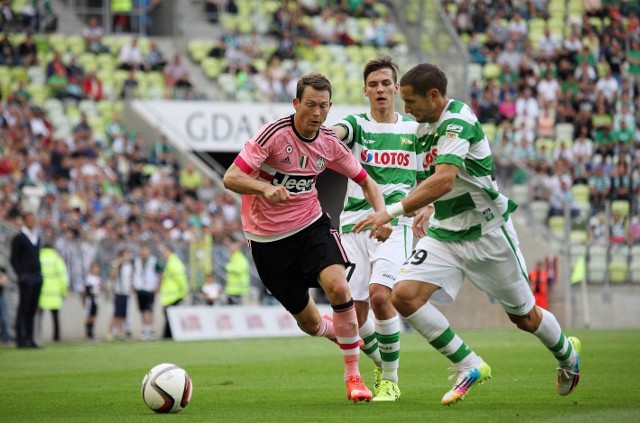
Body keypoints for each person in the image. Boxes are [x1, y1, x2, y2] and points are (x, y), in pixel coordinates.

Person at [355, 63, 582, 405]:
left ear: (434, 95)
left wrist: (391, 211)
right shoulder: (420, 131)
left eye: (411, 100)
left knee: (523, 316)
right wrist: (428, 208)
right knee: (402, 296)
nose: (407, 108)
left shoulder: (459, 119)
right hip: (446, 234)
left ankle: (567, 355)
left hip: (487, 232)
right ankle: (469, 364)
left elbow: (445, 178)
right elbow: (432, 183)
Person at [223, 72, 389, 403]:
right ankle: (350, 338)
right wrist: (265, 187)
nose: (317, 113)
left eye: (324, 106)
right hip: (268, 240)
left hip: (310, 225)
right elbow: (232, 176)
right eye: (310, 105)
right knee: (311, 323)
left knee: (339, 287)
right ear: (296, 103)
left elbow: (366, 180)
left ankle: (353, 377)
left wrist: (382, 213)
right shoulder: (273, 135)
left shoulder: (329, 143)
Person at [331, 56, 425, 402]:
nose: (381, 89)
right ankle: (380, 361)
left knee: (381, 295)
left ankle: (390, 379)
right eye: (374, 84)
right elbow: (337, 133)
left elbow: (425, 179)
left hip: (395, 223)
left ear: (397, 89)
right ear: (365, 90)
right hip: (353, 225)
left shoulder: (413, 131)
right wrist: (325, 132)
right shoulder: (356, 125)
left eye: (387, 83)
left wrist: (424, 206)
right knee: (354, 313)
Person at [10, 211, 43, 348]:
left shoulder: (36, 237)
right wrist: (20, 274)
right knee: (23, 308)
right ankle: (20, 338)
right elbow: (14, 259)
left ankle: (30, 338)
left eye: (33, 219)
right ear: (23, 221)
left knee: (32, 309)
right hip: (26, 276)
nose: (32, 221)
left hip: (36, 275)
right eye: (29, 219)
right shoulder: (19, 238)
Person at [38, 242, 68, 342]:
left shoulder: (38, 258)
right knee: (55, 317)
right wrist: (64, 291)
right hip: (54, 293)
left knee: (38, 317)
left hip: (40, 292)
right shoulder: (57, 259)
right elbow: (63, 277)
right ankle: (56, 336)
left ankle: (37, 335)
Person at [159, 244, 188, 339]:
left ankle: (167, 337)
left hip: (173, 296)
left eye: (165, 252)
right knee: (169, 318)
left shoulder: (173, 263)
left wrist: (184, 292)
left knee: (170, 319)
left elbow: (181, 279)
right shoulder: (171, 262)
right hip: (170, 296)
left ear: (170, 251)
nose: (163, 254)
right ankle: (168, 336)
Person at [132, 244, 160, 340]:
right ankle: (144, 329)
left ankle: (150, 329)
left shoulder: (153, 261)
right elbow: (133, 273)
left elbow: (160, 272)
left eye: (146, 250)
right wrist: (133, 283)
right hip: (140, 289)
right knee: (142, 310)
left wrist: (158, 285)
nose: (144, 252)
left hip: (150, 288)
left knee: (149, 310)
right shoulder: (136, 261)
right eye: (142, 250)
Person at [108, 249, 133, 341]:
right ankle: (110, 333)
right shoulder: (116, 264)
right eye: (125, 255)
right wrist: (118, 264)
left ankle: (120, 333)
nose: (126, 257)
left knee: (123, 315)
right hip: (118, 292)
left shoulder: (128, 266)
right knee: (115, 315)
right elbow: (112, 275)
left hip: (126, 293)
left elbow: (129, 278)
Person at [223, 241, 250, 305]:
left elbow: (241, 269)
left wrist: (229, 267)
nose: (230, 249)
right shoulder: (233, 258)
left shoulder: (240, 258)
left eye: (231, 248)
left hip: (238, 289)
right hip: (232, 289)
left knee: (235, 309)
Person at [83, 262, 102, 341]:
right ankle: (88, 333)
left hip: (96, 299)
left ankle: (92, 333)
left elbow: (99, 288)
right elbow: (87, 290)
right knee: (89, 316)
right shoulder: (89, 278)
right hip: (90, 299)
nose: (96, 269)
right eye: (94, 268)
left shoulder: (98, 279)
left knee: (93, 316)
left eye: (97, 268)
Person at [0, 266, 11, 344]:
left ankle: (6, 337)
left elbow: (3, 282)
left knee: (4, 317)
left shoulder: (2, 269)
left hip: (0, 295)